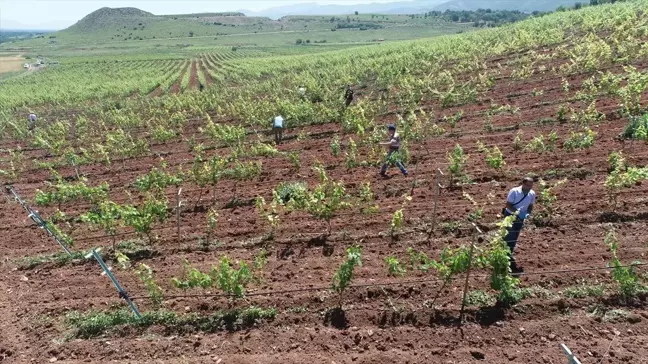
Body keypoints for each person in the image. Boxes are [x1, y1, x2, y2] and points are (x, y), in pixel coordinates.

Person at [502, 177, 536, 274]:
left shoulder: (532, 194)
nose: (529, 187)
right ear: (523, 183)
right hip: (510, 216)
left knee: (515, 236)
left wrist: (527, 214)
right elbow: (508, 205)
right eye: (528, 185)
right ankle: (505, 254)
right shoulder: (514, 191)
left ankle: (509, 254)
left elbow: (530, 206)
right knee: (510, 235)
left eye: (531, 185)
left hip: (520, 218)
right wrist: (516, 213)